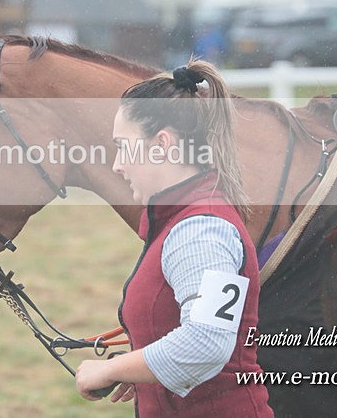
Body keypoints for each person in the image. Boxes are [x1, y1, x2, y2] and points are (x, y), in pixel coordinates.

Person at [75, 61, 272, 417]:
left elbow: (206, 342)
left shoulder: (200, 229)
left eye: (123, 146)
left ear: (162, 144)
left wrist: (109, 369)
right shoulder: (186, 219)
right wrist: (141, 367)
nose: (117, 164)